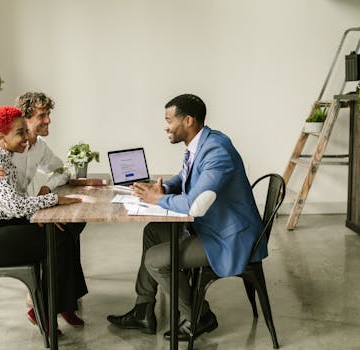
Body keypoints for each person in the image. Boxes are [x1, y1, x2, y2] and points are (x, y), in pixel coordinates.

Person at [107, 93, 264, 342]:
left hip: (228, 237)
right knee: (152, 232)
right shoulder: (201, 143)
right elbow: (184, 175)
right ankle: (143, 309)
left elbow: (196, 206)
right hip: (213, 226)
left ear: (188, 120)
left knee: (156, 260)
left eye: (169, 120)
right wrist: (165, 189)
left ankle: (200, 316)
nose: (165, 126)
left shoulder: (216, 151)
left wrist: (156, 200)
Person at [0, 92, 86, 327]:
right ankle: (46, 308)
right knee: (57, 240)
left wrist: (47, 194)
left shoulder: (12, 151)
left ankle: (62, 303)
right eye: (22, 131)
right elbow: (12, 204)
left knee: (66, 229)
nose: (27, 138)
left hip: (5, 221)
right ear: (3, 136)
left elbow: (16, 201)